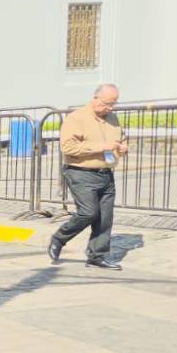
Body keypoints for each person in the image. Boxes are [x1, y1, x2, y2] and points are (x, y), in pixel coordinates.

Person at [48, 84, 128, 270]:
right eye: (107, 103)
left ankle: (97, 256)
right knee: (88, 213)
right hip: (80, 172)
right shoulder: (76, 118)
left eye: (113, 104)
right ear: (95, 98)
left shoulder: (113, 118)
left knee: (105, 218)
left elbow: (120, 140)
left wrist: (123, 148)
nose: (110, 108)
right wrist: (102, 147)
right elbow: (68, 148)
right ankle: (60, 238)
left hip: (106, 173)